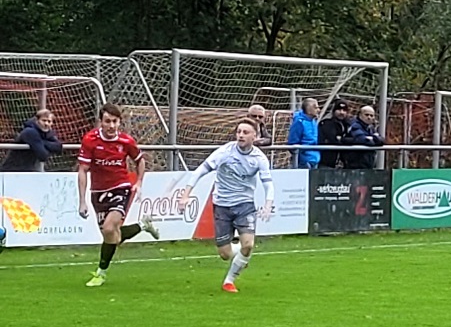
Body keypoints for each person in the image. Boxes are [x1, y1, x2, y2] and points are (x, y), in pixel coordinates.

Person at [175, 119, 275, 293]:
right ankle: (241, 255)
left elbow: (268, 183)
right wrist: (185, 194)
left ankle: (229, 281)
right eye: (239, 132)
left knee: (249, 244)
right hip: (222, 205)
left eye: (245, 132)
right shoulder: (224, 152)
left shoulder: (259, 158)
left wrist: (268, 203)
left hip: (245, 204)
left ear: (254, 136)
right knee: (225, 254)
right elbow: (200, 171)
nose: (241, 135)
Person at [76, 103, 159, 287]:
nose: (112, 126)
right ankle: (143, 225)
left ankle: (100, 274)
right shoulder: (90, 140)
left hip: (120, 188)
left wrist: (138, 182)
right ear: (101, 122)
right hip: (98, 192)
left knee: (108, 228)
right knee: (114, 237)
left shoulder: (126, 141)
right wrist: (82, 201)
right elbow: (82, 170)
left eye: (115, 121)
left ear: (119, 122)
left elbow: (140, 160)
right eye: (107, 121)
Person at [3, 107, 63, 172]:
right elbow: (43, 155)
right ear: (37, 120)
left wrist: (42, 142)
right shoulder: (30, 132)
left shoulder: (47, 132)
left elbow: (58, 147)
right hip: (11, 170)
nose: (46, 124)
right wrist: (46, 144)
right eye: (44, 120)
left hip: (27, 170)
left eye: (49, 121)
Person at [345, 104, 386, 169]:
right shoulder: (354, 125)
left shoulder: (371, 128)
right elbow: (362, 139)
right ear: (360, 115)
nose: (369, 117)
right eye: (366, 115)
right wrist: (374, 139)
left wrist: (373, 139)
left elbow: (382, 140)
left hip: (368, 163)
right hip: (355, 164)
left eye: (371, 115)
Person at [317, 99, 354, 169]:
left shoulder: (348, 124)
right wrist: (346, 140)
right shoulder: (326, 123)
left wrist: (343, 139)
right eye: (339, 110)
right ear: (334, 111)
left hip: (343, 163)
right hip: (326, 162)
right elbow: (333, 140)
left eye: (344, 110)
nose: (342, 112)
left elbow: (355, 139)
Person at [287, 97, 321, 168]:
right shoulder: (299, 122)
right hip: (304, 161)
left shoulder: (313, 121)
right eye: (315, 107)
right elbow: (293, 142)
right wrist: (301, 158)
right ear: (308, 109)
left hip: (315, 159)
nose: (318, 110)